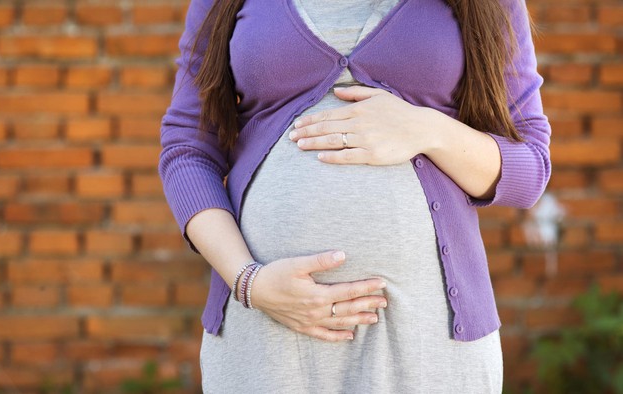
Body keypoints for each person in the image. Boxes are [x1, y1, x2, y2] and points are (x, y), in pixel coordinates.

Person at [158, 0, 552, 392]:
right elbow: (187, 149)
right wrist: (248, 282)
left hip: (427, 335)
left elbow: (529, 169)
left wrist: (428, 130)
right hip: (267, 329)